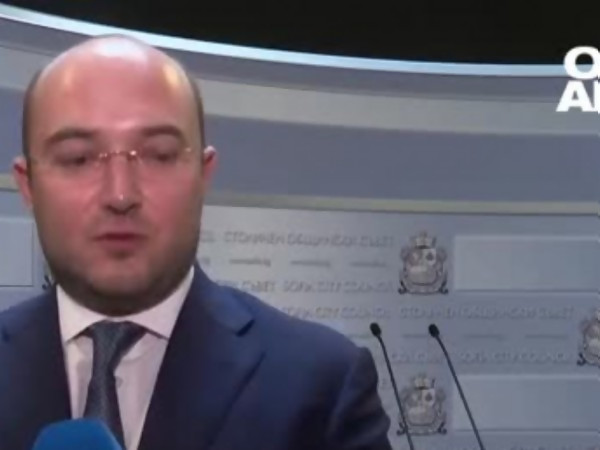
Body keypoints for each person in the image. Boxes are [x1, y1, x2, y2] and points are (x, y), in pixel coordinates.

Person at [0, 35, 392, 450]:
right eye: (78, 158)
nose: (120, 194)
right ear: (28, 185)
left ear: (203, 175)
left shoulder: (324, 385)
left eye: (160, 155)